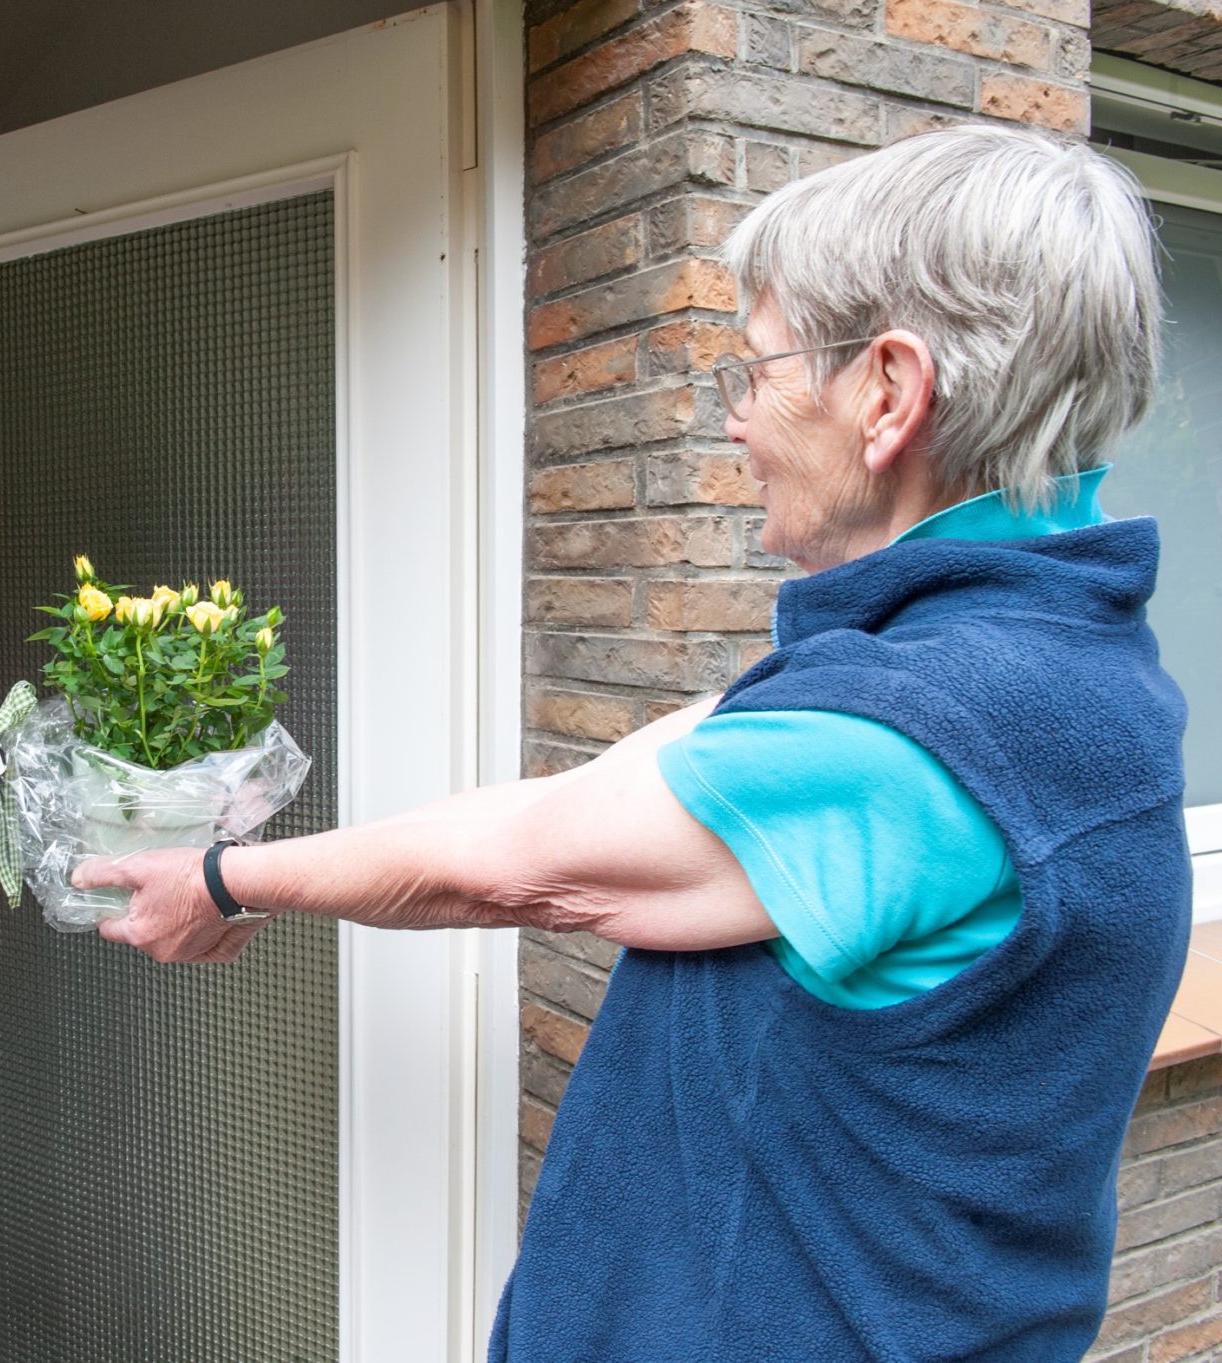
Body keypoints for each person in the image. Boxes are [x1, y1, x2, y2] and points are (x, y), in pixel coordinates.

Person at [76, 126, 1191, 1361]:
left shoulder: (924, 727)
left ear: (887, 392)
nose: (734, 425)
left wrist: (224, 881)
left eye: (754, 373)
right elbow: (610, 789)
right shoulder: (1036, 659)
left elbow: (518, 864)